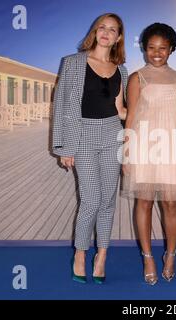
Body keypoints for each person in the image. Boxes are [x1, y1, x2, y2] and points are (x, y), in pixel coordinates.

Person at [51, 13, 128, 284]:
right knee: (91, 199)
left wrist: (149, 117)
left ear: (119, 37)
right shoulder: (72, 63)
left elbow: (120, 110)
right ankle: (81, 253)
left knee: (108, 201)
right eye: (102, 27)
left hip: (112, 135)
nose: (106, 33)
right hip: (82, 136)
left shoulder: (122, 69)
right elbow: (60, 106)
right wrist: (63, 147)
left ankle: (102, 256)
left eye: (113, 29)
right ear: (95, 31)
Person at [122, 23, 176, 285]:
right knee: (145, 202)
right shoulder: (137, 77)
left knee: (172, 204)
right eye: (151, 48)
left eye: (162, 48)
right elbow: (131, 118)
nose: (157, 53)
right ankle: (148, 256)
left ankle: (171, 255)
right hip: (145, 146)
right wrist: (127, 151)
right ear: (144, 49)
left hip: (173, 146)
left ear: (171, 49)